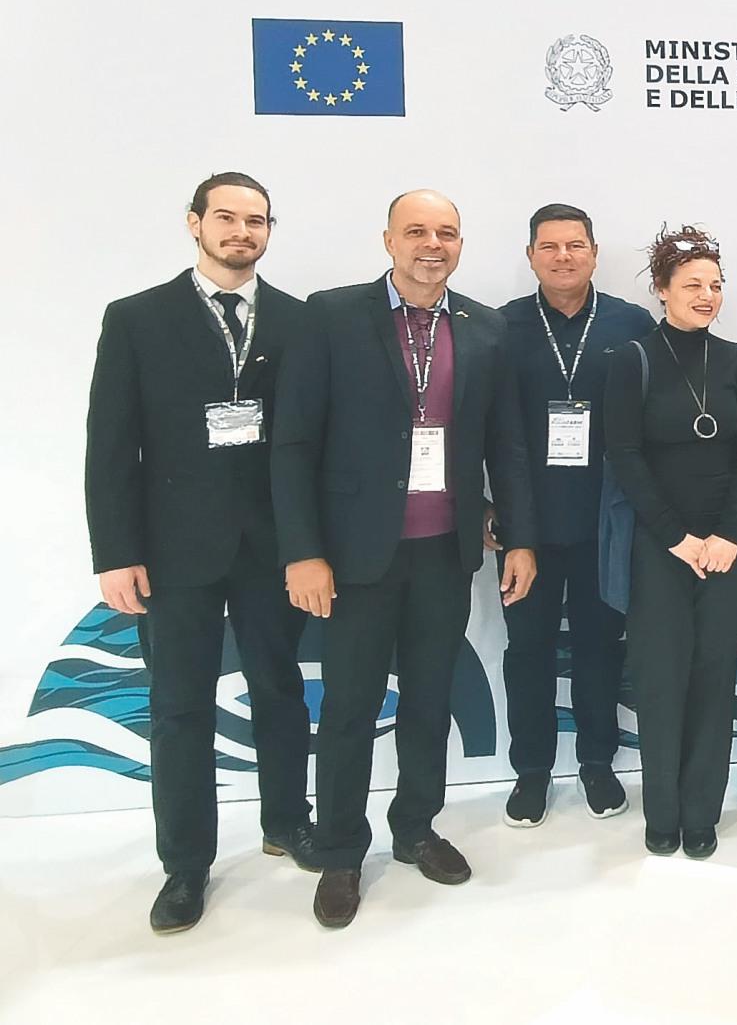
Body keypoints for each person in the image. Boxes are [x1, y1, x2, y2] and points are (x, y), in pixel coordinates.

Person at [272, 189, 538, 927]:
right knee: (350, 708)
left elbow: (505, 443)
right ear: (387, 240)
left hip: (444, 552)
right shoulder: (332, 315)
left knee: (428, 699)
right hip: (355, 556)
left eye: (446, 232)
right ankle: (339, 851)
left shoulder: (484, 327)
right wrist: (303, 551)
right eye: (416, 231)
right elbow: (293, 442)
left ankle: (416, 826)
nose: (432, 244)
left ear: (461, 245)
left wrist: (518, 534)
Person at [85, 171, 313, 933]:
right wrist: (115, 551)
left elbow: (312, 440)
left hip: (272, 544)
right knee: (179, 707)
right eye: (227, 217)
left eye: (257, 220)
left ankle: (288, 821)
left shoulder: (297, 320)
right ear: (194, 223)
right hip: (173, 549)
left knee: (280, 689)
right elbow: (110, 443)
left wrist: (309, 543)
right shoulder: (137, 317)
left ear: (269, 230)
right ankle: (185, 864)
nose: (242, 231)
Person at [604, 226, 737, 860]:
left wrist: (725, 534)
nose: (707, 296)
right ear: (662, 289)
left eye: (716, 285)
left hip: (726, 545)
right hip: (659, 546)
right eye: (693, 284)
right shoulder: (632, 359)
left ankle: (702, 813)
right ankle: (663, 813)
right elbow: (624, 454)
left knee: (713, 678)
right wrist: (676, 537)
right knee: (661, 679)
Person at [491, 204, 653, 827]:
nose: (564, 257)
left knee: (599, 650)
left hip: (605, 525)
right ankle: (531, 772)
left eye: (576, 245)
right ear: (531, 255)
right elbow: (481, 428)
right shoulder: (500, 326)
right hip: (525, 530)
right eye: (550, 246)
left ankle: (597, 763)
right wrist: (488, 509)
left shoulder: (630, 323)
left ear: (594, 252)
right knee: (527, 652)